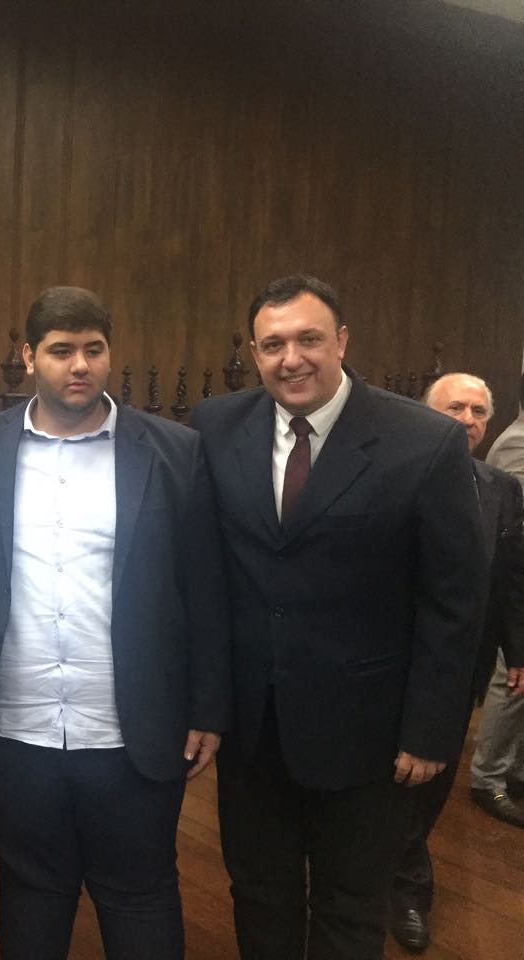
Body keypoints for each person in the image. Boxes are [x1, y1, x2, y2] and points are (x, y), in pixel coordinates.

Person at [190, 275, 487, 959]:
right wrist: (205, 705)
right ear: (255, 353)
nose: (291, 358)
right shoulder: (215, 425)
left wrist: (431, 731)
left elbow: (455, 600)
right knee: (258, 894)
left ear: (343, 341)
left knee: (350, 909)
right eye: (273, 345)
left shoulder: (426, 442)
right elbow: (205, 576)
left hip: (369, 737)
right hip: (253, 730)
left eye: (309, 339)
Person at [0, 286, 231, 960]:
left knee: (139, 893)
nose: (79, 365)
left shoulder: (174, 451)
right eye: (61, 350)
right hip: (14, 728)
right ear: (29, 357)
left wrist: (208, 707)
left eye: (93, 349)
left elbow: (205, 588)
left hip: (132, 730)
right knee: (30, 889)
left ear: (110, 353)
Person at [388, 373, 524, 950]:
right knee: (389, 779)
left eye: (477, 411)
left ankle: (404, 879)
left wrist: (517, 650)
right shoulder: (393, 476)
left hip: (465, 664)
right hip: (392, 660)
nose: (467, 419)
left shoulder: (502, 487)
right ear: (425, 415)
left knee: (432, 782)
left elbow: (511, 575)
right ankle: (401, 883)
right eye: (454, 408)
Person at [467, 370, 524, 832]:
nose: (468, 419)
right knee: (511, 680)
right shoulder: (517, 443)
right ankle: (488, 777)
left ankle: (514, 769)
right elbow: (509, 532)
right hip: (507, 582)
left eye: (477, 410)